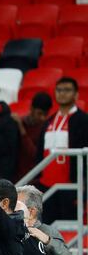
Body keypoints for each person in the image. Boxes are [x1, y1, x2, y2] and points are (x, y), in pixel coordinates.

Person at [38, 76, 88, 222]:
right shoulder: (49, 121)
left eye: (67, 90)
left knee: (70, 230)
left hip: (72, 187)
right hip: (47, 186)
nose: (62, 93)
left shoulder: (83, 120)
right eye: (59, 90)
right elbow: (40, 153)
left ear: (76, 94)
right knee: (48, 229)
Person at [12, 92, 52, 182]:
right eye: (40, 113)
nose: (43, 118)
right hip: (16, 177)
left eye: (45, 115)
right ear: (31, 109)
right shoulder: (18, 124)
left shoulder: (46, 129)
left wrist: (22, 130)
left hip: (35, 178)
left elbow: (34, 154)